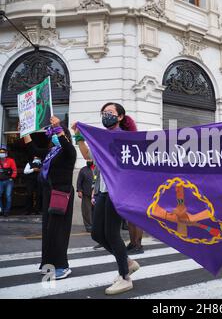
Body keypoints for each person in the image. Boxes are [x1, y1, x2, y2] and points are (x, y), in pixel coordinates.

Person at [72, 102, 140, 295]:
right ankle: (127, 262)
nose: (106, 115)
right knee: (97, 234)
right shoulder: (100, 138)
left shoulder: (126, 138)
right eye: (103, 112)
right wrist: (79, 135)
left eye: (110, 112)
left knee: (112, 234)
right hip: (102, 190)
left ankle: (125, 277)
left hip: (118, 191)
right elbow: (88, 156)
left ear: (120, 117)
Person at [22, 117, 76, 280]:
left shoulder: (69, 151)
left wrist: (58, 127)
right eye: (52, 133)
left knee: (58, 230)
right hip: (48, 192)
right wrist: (25, 131)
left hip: (62, 193)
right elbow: (33, 150)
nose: (52, 136)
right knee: (48, 230)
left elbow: (66, 144)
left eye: (56, 134)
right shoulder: (52, 152)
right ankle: (49, 264)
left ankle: (62, 266)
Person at [77, 160, 95, 232]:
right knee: (86, 211)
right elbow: (79, 181)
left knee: (96, 211)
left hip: (96, 194)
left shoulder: (98, 169)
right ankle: (89, 226)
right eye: (88, 159)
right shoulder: (83, 170)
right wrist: (79, 190)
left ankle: (96, 226)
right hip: (86, 194)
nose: (89, 160)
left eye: (90, 159)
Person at [0, 145, 17, 217]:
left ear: (6, 153)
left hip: (8, 181)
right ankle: (1, 210)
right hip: (0, 181)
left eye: (3, 152)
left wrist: (12, 178)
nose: (2, 153)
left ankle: (6, 211)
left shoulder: (11, 160)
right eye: (0, 152)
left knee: (8, 196)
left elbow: (14, 170)